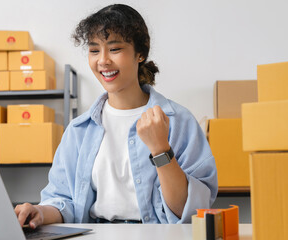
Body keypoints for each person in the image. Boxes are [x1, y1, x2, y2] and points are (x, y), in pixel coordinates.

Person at [15, 4, 217, 228]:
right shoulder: (79, 130)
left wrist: (160, 148)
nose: (102, 60)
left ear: (140, 53)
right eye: (94, 50)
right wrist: (40, 212)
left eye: (114, 49)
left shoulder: (178, 121)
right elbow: (65, 200)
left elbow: (191, 211)